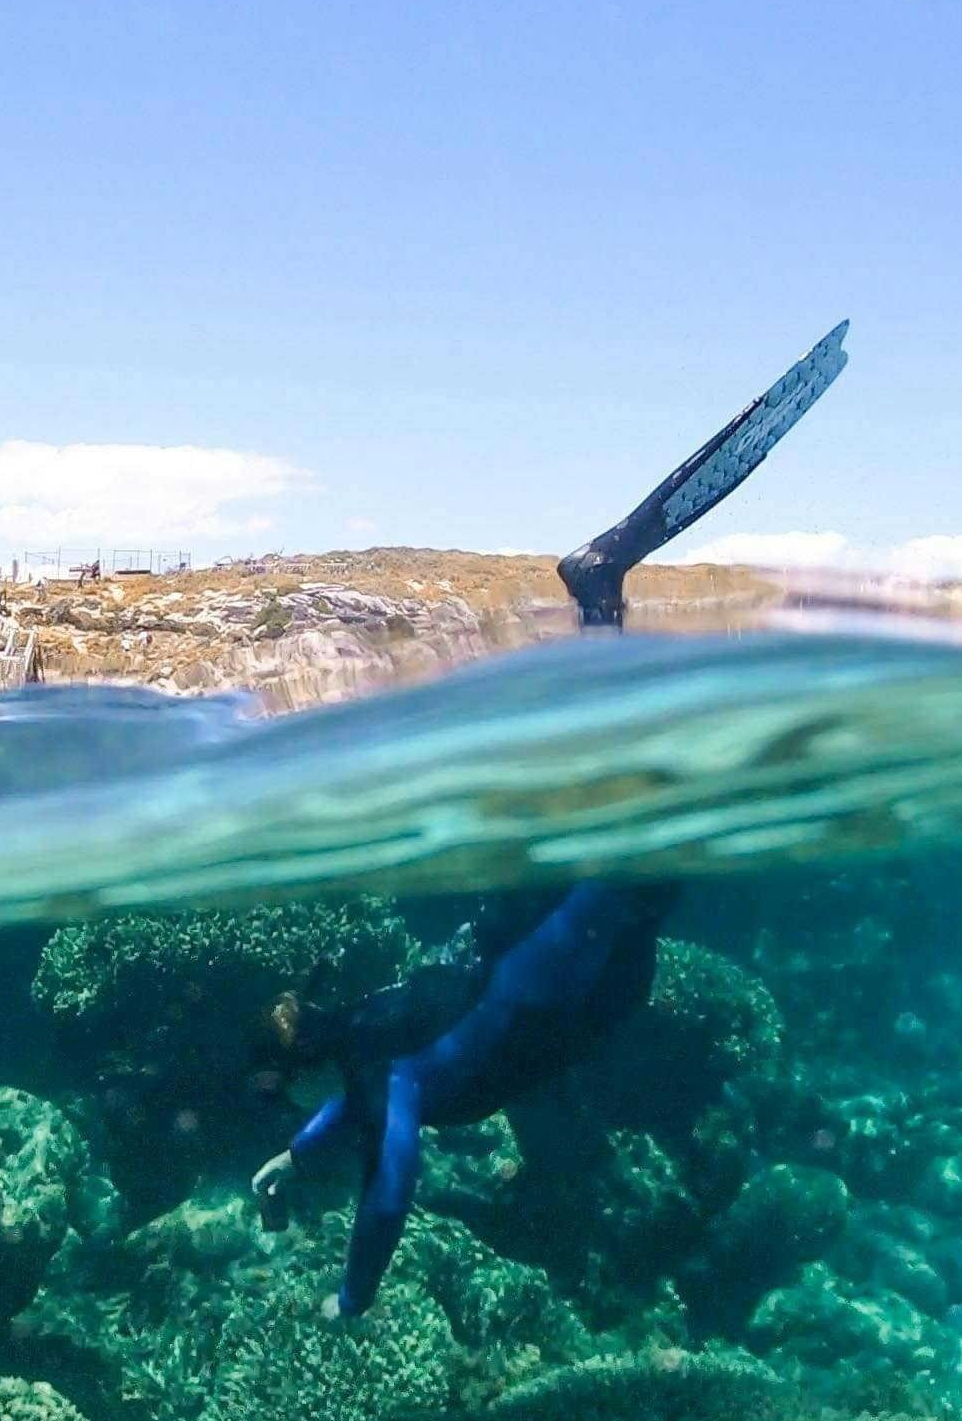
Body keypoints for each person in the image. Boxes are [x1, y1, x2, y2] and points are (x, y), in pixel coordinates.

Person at [252, 321, 852, 1316]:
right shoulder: (362, 1051)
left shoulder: (387, 1076)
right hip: (554, 942)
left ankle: (626, 616)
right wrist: (295, 1155)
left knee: (671, 806)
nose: (289, 1108)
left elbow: (392, 1188)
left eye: (283, 1094)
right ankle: (613, 620)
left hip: (575, 946)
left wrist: (354, 1296)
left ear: (309, 1064)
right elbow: (350, 1113)